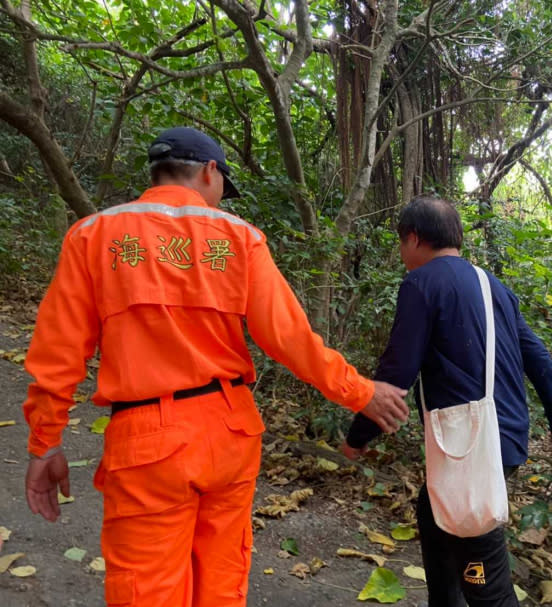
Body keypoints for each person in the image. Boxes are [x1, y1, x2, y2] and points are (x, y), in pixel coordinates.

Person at [22, 126, 409, 607]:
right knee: (222, 585)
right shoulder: (238, 238)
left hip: (146, 444)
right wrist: (360, 392)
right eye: (223, 182)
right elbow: (291, 340)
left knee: (148, 591)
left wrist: (46, 442)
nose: (222, 195)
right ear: (209, 171)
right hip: (230, 431)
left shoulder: (94, 235)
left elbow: (57, 355)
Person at [340, 195, 552, 607]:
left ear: (413, 238)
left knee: (484, 577)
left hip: (470, 448)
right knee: (436, 522)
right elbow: (535, 354)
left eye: (401, 243)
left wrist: (359, 436)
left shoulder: (422, 283)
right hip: (502, 437)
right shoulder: (494, 286)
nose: (401, 254)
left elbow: (396, 373)